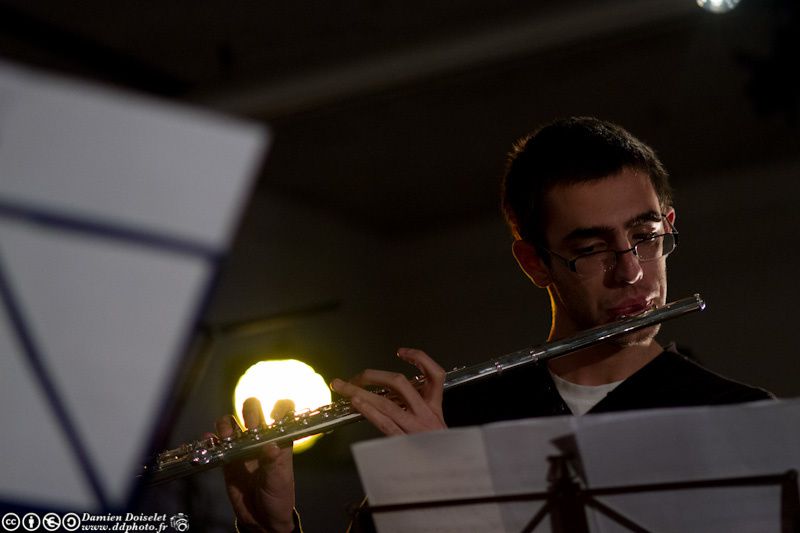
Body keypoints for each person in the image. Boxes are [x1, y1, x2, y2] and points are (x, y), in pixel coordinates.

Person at [218, 117, 773, 533]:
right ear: (534, 264)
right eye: (591, 248)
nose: (631, 271)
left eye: (646, 236)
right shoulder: (453, 421)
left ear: (668, 224)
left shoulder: (744, 422)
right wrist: (272, 530)